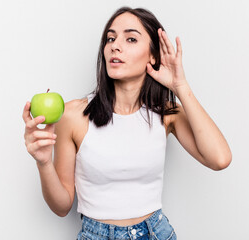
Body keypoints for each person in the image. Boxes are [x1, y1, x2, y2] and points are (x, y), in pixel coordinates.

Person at [22, 6, 232, 240]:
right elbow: (61, 207)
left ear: (153, 55)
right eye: (110, 38)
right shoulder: (73, 115)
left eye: (130, 38)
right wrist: (43, 163)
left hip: (156, 233)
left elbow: (220, 159)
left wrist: (180, 87)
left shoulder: (166, 113)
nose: (115, 45)